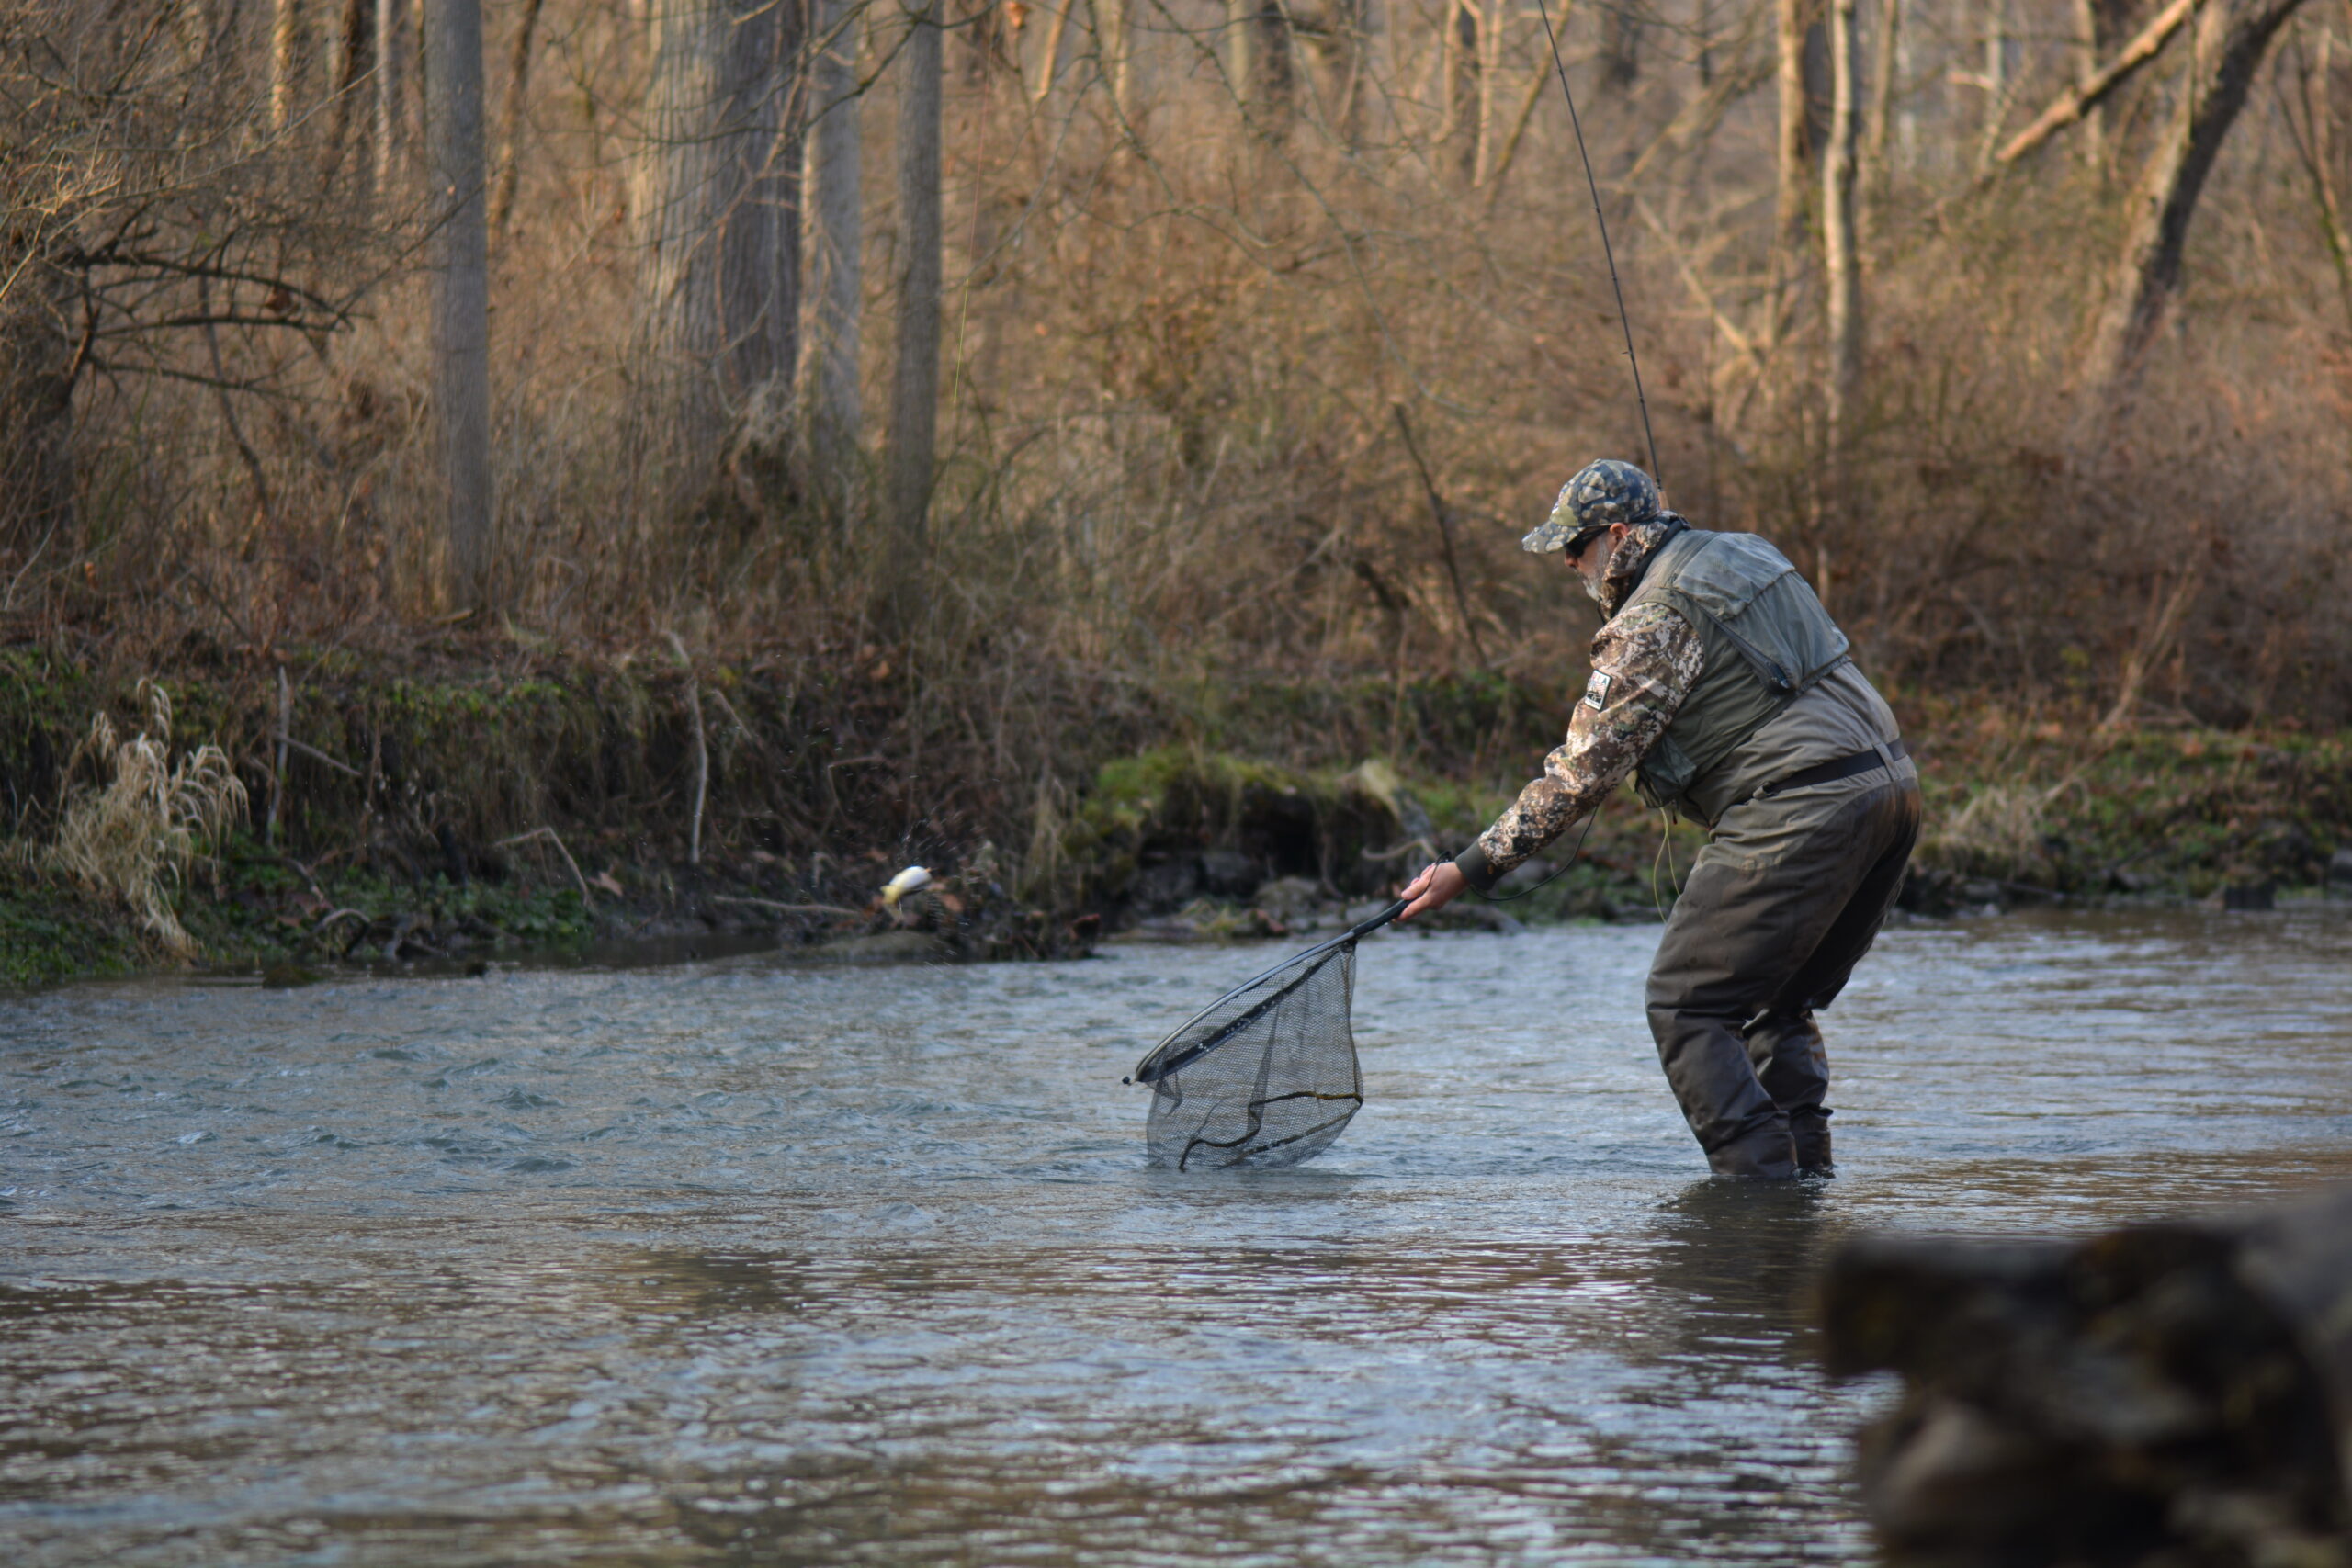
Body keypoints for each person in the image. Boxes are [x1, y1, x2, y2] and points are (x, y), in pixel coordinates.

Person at [1398, 459, 1921, 1179]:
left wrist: (1470, 866)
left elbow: (1580, 775)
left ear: (1617, 536)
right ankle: (1805, 1202)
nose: (1570, 566)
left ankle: (1755, 1208)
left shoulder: (1651, 619)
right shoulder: (1748, 551)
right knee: (1778, 999)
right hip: (1890, 786)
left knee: (1686, 1002)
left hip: (1803, 806)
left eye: (1575, 548)